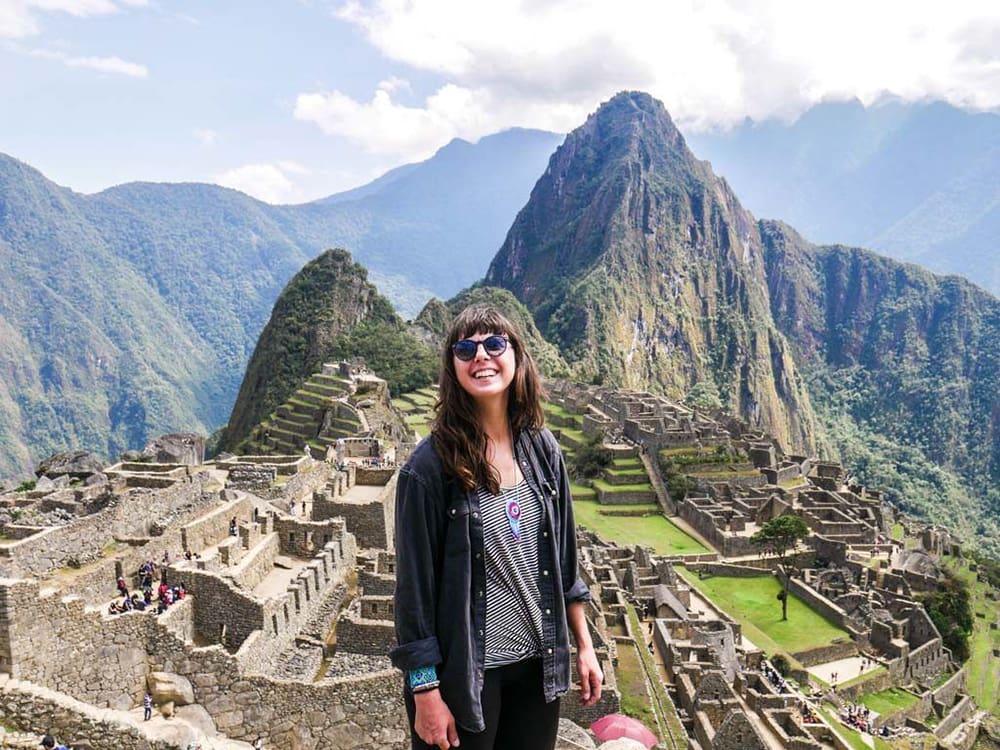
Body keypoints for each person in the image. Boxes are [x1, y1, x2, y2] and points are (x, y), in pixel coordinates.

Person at [391, 305, 602, 750]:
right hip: (465, 676)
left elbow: (565, 564)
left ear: (517, 356)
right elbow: (414, 595)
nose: (480, 357)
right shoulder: (429, 470)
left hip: (536, 666)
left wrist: (584, 645)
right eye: (465, 349)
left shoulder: (543, 448)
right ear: (453, 367)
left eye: (494, 344)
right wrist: (425, 692)